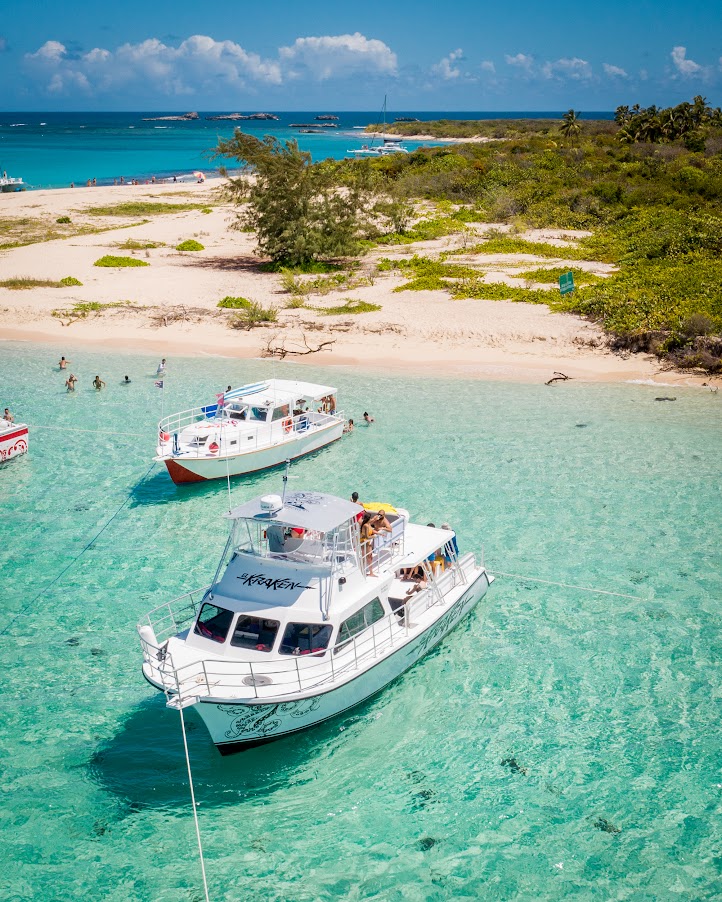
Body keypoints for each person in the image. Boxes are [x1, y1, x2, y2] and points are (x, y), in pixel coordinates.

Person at [359, 512, 376, 577]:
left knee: (368, 557)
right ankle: (369, 572)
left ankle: (365, 571)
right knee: (368, 557)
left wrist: (375, 518)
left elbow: (372, 520)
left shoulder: (366, 523)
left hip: (366, 542)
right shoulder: (366, 525)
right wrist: (374, 536)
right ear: (368, 518)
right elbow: (367, 537)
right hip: (365, 542)